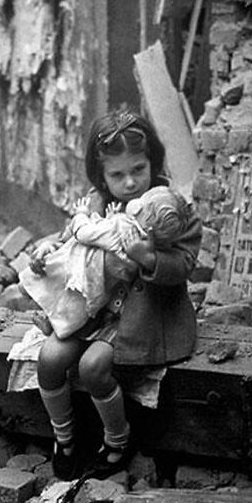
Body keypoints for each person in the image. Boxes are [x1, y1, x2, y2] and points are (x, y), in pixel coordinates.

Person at [28, 108, 202, 480]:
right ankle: (65, 436)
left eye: (138, 169)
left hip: (143, 315)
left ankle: (117, 439)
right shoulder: (96, 202)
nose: (129, 183)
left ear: (152, 161)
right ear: (101, 175)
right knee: (49, 359)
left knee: (93, 368)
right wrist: (47, 251)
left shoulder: (171, 206)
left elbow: (186, 262)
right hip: (92, 308)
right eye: (117, 175)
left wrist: (150, 258)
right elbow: (72, 236)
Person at [19, 184, 193, 339]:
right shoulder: (145, 244)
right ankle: (51, 323)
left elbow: (84, 233)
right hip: (100, 291)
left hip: (80, 273)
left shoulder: (120, 228)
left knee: (37, 287)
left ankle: (42, 311)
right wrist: (112, 217)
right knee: (71, 310)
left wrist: (81, 214)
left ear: (140, 210)